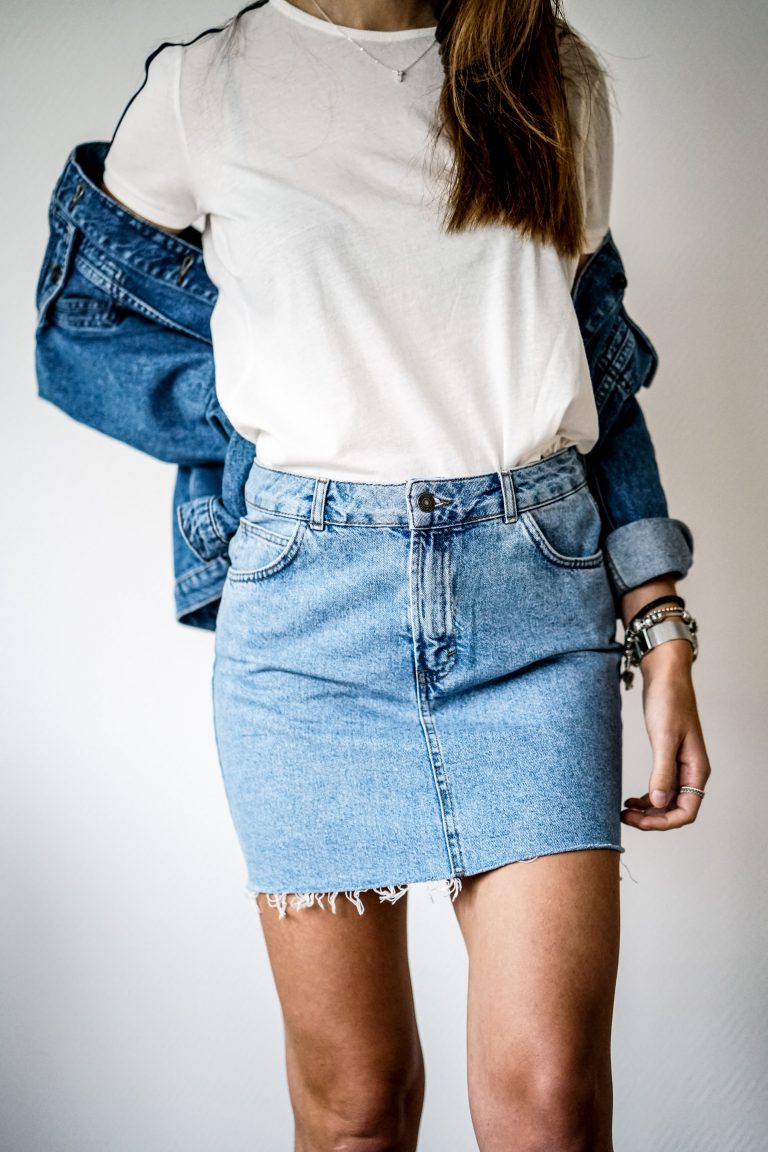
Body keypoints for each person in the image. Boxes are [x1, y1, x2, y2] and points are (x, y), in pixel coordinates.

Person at [99, 1, 711, 1148]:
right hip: (308, 635)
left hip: (533, 607)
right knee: (357, 1107)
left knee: (548, 1109)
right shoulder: (206, 88)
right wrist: (258, 428)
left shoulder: (548, 74)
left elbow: (601, 380)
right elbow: (78, 323)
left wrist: (663, 624)